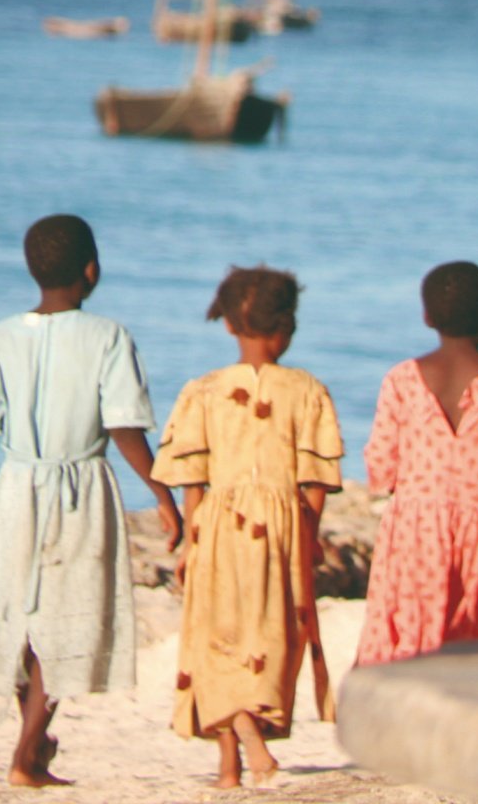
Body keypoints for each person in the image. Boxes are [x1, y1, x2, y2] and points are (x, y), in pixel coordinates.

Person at [0, 213, 183, 789]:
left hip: (16, 487)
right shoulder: (108, 337)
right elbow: (126, 426)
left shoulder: (0, 337)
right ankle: (27, 752)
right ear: (91, 270)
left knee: (21, 614)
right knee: (68, 620)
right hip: (82, 490)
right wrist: (164, 495)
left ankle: (34, 744)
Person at [151, 265, 344, 790]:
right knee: (268, 640)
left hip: (218, 528)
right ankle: (248, 738)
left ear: (229, 326)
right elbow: (318, 477)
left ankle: (230, 764)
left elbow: (190, 478)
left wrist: (191, 540)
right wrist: (308, 532)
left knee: (218, 639)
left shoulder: (203, 391)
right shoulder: (307, 391)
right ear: (288, 327)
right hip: (280, 530)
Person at [357, 260, 478, 666]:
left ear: (427, 316)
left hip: (414, 530)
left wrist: (410, 491)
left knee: (409, 640)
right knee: (474, 645)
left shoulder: (402, 379)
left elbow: (380, 463)